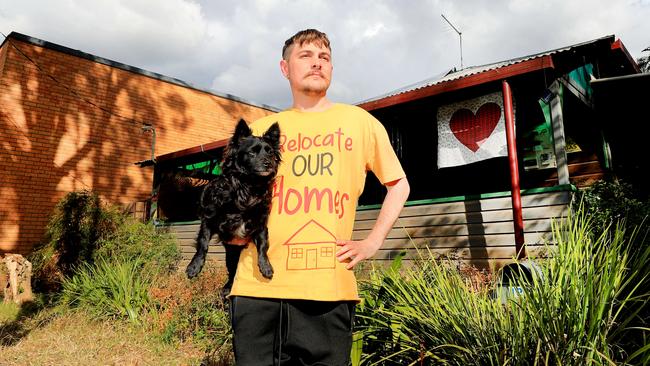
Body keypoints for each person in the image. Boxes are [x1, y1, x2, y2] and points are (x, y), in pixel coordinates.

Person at [227, 28, 410, 366]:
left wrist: (372, 242)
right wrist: (234, 229)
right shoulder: (260, 129)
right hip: (257, 288)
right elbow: (235, 192)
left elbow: (399, 184)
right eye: (305, 55)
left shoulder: (360, 122)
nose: (317, 63)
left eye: (324, 57)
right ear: (285, 68)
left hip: (327, 290)